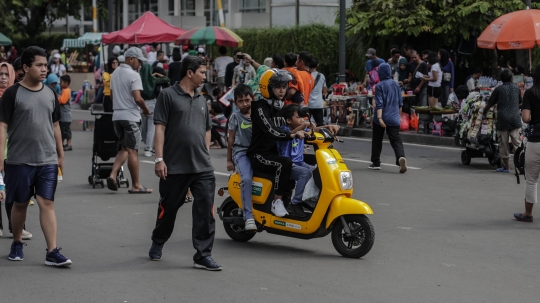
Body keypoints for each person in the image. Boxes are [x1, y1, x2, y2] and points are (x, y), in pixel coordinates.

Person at [0, 46, 71, 266]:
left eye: (45, 65)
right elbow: (2, 127)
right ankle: (18, 241)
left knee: (46, 202)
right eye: (39, 65)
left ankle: (52, 251)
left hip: (47, 160)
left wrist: (60, 155)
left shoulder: (50, 93)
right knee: (20, 204)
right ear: (26, 67)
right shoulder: (13, 93)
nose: (44, 69)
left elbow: (56, 125)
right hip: (19, 160)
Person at [150, 55, 222, 271]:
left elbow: (208, 129)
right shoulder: (168, 95)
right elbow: (160, 128)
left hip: (202, 167)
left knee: (205, 211)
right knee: (168, 209)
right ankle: (158, 240)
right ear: (189, 73)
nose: (204, 76)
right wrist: (159, 159)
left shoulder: (202, 99)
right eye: (201, 72)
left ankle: (202, 255)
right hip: (175, 167)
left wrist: (204, 150)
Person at [247, 69, 310, 217]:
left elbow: (294, 122)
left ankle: (303, 199)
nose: (282, 90)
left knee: (312, 161)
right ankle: (277, 201)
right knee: (285, 163)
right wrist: (292, 135)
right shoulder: (261, 108)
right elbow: (271, 130)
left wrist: (323, 128)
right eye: (277, 87)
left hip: (275, 152)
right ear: (268, 88)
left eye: (284, 86)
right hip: (259, 155)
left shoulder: (280, 106)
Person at [106, 47, 152, 193]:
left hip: (117, 117)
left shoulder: (115, 73)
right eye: (139, 61)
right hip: (130, 117)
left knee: (124, 148)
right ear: (131, 59)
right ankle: (136, 185)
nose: (140, 65)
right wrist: (145, 109)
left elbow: (112, 96)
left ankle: (113, 175)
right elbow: (137, 98)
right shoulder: (133, 75)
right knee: (133, 151)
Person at [277, 104, 317, 217]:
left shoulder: (302, 128)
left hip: (300, 163)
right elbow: (290, 134)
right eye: (298, 117)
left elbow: (315, 130)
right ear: (289, 120)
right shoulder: (284, 130)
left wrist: (328, 127)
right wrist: (303, 126)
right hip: (287, 165)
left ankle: (308, 200)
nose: (302, 120)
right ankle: (295, 203)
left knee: (318, 171)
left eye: (302, 117)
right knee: (305, 173)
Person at [226, 84, 256, 230]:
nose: (245, 103)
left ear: (253, 99)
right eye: (241, 101)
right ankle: (248, 216)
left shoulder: (259, 114)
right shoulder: (235, 117)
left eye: (247, 100)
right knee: (246, 178)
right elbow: (230, 140)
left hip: (257, 152)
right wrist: (229, 160)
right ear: (235, 103)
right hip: (241, 153)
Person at [369, 63, 407, 173]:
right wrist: (398, 117)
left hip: (381, 117)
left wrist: (380, 118)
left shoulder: (379, 86)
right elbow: (400, 104)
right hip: (394, 117)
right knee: (396, 140)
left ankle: (376, 163)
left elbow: (379, 104)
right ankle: (400, 157)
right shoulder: (396, 85)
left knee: (377, 139)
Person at [514, 64, 540, 222]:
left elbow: (525, 118)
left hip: (536, 140)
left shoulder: (530, 94)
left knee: (531, 179)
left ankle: (528, 213)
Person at [484, 69, 522, 173]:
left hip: (503, 119)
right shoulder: (517, 88)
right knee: (517, 143)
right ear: (511, 78)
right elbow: (520, 102)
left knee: (503, 144)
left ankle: (507, 168)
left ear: (501, 79)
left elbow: (490, 103)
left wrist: (483, 112)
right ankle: (520, 166)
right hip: (515, 119)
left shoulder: (498, 89)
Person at [140, 63, 170, 158]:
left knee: (143, 128)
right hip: (152, 104)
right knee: (151, 129)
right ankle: (148, 148)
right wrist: (158, 74)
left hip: (141, 104)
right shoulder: (153, 80)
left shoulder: (138, 80)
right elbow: (167, 79)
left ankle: (147, 144)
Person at [308, 57, 327, 126]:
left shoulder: (306, 75)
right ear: (318, 65)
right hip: (318, 104)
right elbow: (325, 90)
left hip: (307, 104)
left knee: (306, 125)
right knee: (320, 125)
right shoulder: (322, 76)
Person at [58, 75, 72, 151]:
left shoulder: (66, 90)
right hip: (63, 116)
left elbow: (63, 101)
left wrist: (58, 98)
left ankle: (69, 144)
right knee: (62, 131)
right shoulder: (64, 90)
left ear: (66, 83)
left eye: (61, 82)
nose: (60, 83)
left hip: (65, 116)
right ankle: (62, 144)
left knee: (66, 131)